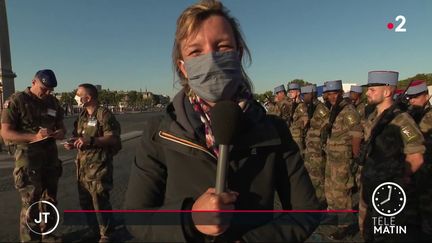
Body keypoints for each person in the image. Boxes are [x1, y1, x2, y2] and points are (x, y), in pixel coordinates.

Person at [124, 1, 320, 242]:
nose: (211, 59)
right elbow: (136, 218)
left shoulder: (273, 131)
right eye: (196, 52)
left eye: (222, 46)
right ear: (183, 68)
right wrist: (189, 219)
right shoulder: (160, 132)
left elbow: (306, 212)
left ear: (238, 54)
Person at [359, 71, 426, 242]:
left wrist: (398, 180)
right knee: (367, 233)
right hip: (369, 187)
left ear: (387, 92)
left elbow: (416, 156)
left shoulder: (402, 120)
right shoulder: (373, 117)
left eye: (372, 89)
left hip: (387, 193)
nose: (367, 93)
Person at [1, 69, 66, 242]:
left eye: (50, 90)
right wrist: (34, 137)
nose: (47, 93)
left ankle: (48, 234)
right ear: (34, 82)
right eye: (44, 88)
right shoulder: (17, 100)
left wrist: (60, 132)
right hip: (28, 157)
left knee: (50, 199)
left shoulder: (53, 102)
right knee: (31, 202)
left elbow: (61, 126)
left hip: (50, 157)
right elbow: (6, 133)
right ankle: (30, 239)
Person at [64, 83, 121, 243]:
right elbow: (78, 136)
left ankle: (107, 234)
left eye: (78, 94)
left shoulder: (104, 114)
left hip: (99, 167)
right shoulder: (82, 116)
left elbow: (113, 138)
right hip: (82, 168)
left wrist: (91, 140)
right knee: (86, 202)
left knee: (100, 201)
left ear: (87, 98)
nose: (75, 96)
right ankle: (94, 229)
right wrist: (72, 142)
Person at [322, 80, 363, 240]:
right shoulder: (335, 109)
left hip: (343, 160)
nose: (332, 97)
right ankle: (333, 216)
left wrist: (354, 156)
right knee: (330, 190)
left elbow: (357, 135)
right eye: (329, 94)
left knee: (341, 193)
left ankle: (345, 226)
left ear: (340, 93)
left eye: (335, 93)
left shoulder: (349, 110)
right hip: (332, 158)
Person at [405, 80, 432, 239]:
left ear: (427, 96)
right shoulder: (410, 115)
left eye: (416, 96)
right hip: (416, 168)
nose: (412, 100)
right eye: (410, 97)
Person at [302, 84, 330, 209]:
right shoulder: (310, 108)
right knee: (311, 175)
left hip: (318, 148)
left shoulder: (321, 109)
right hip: (310, 147)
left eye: (305, 95)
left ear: (311, 94)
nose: (303, 97)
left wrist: (323, 144)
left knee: (318, 176)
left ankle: (321, 202)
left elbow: (327, 128)